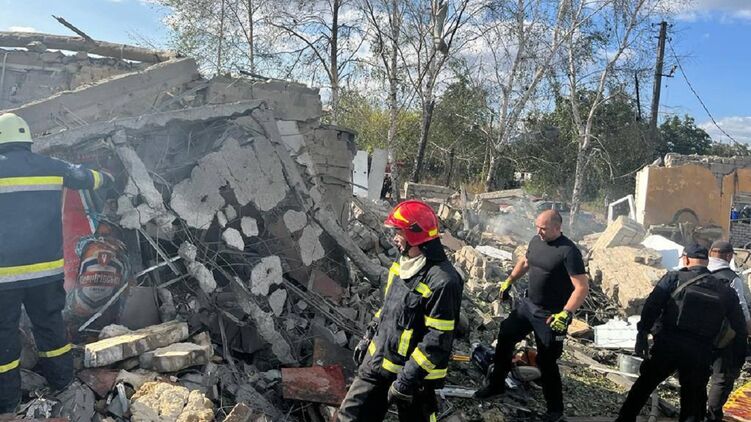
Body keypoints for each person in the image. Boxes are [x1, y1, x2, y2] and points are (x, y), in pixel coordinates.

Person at [0, 113, 112, 414]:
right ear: (27, 139)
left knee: (3, 334)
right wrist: (109, 177)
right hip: (46, 273)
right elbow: (90, 178)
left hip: (3, 278)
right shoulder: (51, 166)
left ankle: (7, 404)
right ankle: (62, 384)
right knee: (50, 326)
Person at [337, 200, 463, 422]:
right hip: (378, 361)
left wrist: (406, 380)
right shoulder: (403, 262)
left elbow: (437, 340)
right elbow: (389, 307)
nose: (394, 238)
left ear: (415, 235)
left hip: (415, 377)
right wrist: (369, 335)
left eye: (399, 232)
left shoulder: (444, 281)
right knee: (350, 416)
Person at [473, 210, 589, 422]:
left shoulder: (569, 251)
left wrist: (566, 313)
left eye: (543, 228)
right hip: (528, 306)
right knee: (506, 335)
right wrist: (509, 281)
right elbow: (525, 262)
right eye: (537, 227)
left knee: (547, 360)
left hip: (551, 315)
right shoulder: (536, 241)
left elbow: (581, 287)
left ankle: (555, 410)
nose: (538, 231)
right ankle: (497, 385)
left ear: (557, 227)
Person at [616, 244, 748, 422]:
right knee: (692, 401)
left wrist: (642, 334)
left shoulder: (674, 278)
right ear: (706, 261)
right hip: (700, 353)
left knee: (644, 386)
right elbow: (739, 327)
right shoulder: (726, 290)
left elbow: (652, 306)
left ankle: (625, 419)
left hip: (668, 345)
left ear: (685, 259)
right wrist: (738, 359)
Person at [706, 240, 751, 421]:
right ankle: (712, 415)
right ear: (729, 256)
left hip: (695, 334)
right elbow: (742, 309)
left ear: (710, 253)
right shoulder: (732, 278)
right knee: (722, 377)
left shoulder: (696, 273)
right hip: (724, 337)